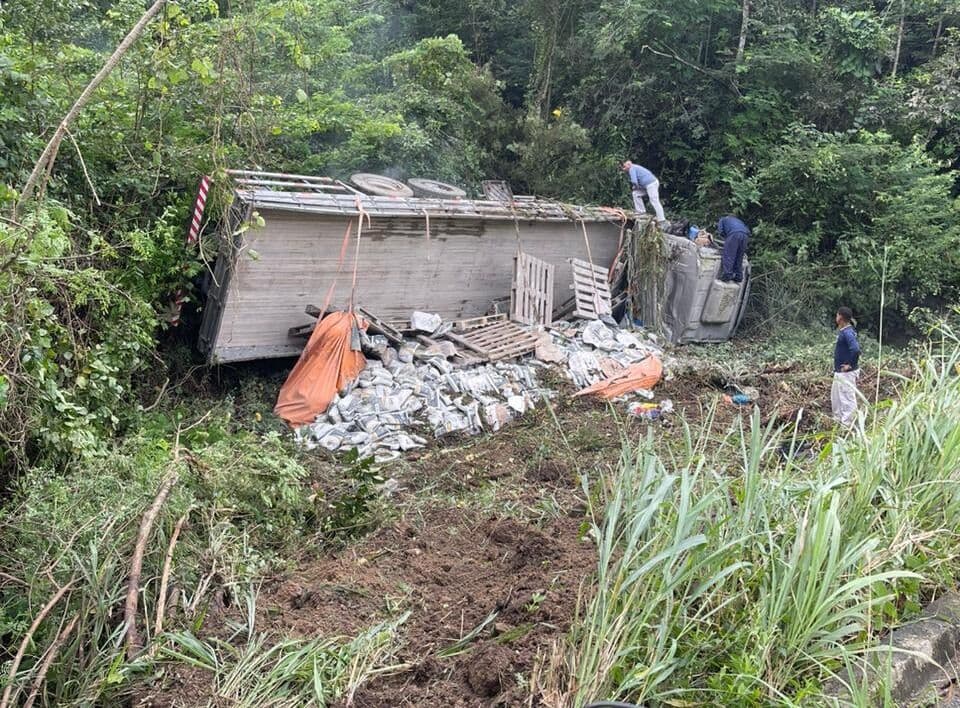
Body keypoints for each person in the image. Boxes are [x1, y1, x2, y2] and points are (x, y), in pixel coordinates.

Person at [831, 306, 861, 427]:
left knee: (847, 398)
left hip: (846, 373)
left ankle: (848, 425)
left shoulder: (848, 332)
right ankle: (837, 422)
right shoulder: (844, 331)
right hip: (840, 372)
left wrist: (849, 364)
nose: (836, 317)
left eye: (837, 315)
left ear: (840, 317)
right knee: (836, 398)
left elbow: (855, 349)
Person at [716, 215, 750, 282]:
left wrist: (727, 240)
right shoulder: (738, 221)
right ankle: (738, 276)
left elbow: (721, 231)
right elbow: (748, 231)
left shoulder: (722, 219)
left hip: (734, 234)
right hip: (745, 236)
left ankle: (727, 275)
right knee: (739, 256)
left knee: (729, 255)